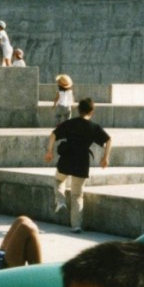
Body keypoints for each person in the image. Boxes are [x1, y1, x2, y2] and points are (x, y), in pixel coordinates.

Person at [45, 97, 112, 234]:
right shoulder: (94, 127)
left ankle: (61, 200)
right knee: (77, 195)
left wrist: (50, 151)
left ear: (78, 110)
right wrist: (105, 157)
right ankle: (76, 226)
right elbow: (109, 140)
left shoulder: (70, 123)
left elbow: (53, 134)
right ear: (92, 111)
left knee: (58, 180)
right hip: (82, 161)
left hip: (67, 158)